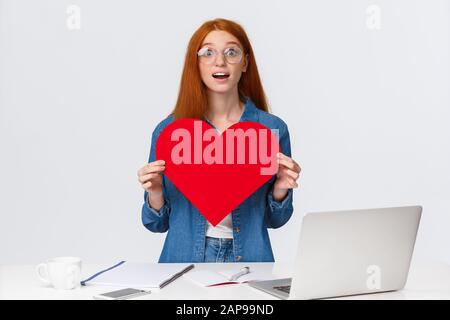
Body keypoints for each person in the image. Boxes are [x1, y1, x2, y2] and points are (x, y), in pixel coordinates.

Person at [137, 18, 301, 263]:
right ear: (196, 64)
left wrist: (280, 189)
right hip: (182, 261)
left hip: (250, 263)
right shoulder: (170, 133)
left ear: (245, 62)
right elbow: (155, 224)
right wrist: (156, 193)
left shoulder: (270, 130)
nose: (220, 61)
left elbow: (275, 221)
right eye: (208, 52)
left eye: (231, 52)